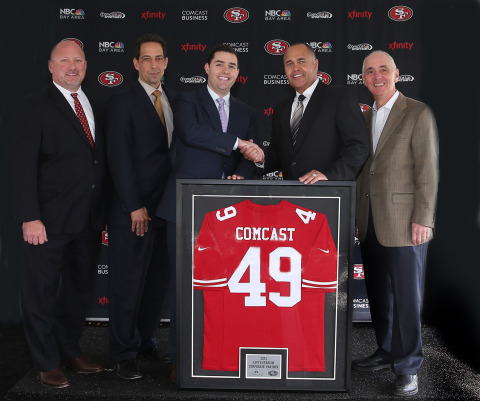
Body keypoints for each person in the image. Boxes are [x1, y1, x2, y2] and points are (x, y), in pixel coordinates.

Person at [156, 44, 263, 381]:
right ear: (207, 67)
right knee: (184, 287)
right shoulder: (187, 101)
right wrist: (237, 144)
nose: (225, 70)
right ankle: (180, 358)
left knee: (225, 288)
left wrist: (243, 173)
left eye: (232, 66)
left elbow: (255, 159)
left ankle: (224, 354)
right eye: (220, 64)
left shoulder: (247, 111)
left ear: (237, 72)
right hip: (185, 208)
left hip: (229, 214)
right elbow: (191, 133)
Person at [11, 39, 106, 388]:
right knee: (41, 292)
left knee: (78, 292)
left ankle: (69, 351)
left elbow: (97, 163)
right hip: (46, 222)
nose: (72, 66)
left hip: (89, 219)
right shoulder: (33, 106)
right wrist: (29, 216)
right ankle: (46, 361)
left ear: (85, 65)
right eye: (64, 60)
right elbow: (22, 167)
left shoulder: (95, 103)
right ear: (50, 66)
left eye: (78, 60)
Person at [353, 50, 439, 397]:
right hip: (370, 221)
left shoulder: (417, 112)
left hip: (405, 222)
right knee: (378, 294)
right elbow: (364, 171)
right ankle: (386, 349)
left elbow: (427, 170)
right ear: (363, 79)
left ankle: (408, 366)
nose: (377, 76)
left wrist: (423, 217)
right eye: (369, 71)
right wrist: (358, 217)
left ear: (396, 73)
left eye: (383, 70)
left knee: (405, 297)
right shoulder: (362, 117)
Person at [105, 34, 174, 380]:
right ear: (135, 64)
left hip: (162, 210)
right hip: (133, 212)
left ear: (166, 62)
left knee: (153, 284)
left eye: (159, 58)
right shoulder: (123, 101)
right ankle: (122, 352)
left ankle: (144, 343)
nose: (153, 64)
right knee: (127, 284)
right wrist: (134, 206)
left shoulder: (169, 100)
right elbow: (118, 158)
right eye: (146, 59)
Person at [243, 42, 369, 182]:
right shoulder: (281, 109)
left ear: (315, 64)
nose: (295, 68)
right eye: (289, 63)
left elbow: (358, 146)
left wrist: (329, 176)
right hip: (292, 197)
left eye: (301, 61)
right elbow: (279, 155)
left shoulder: (339, 97)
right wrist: (259, 158)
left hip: (330, 195)